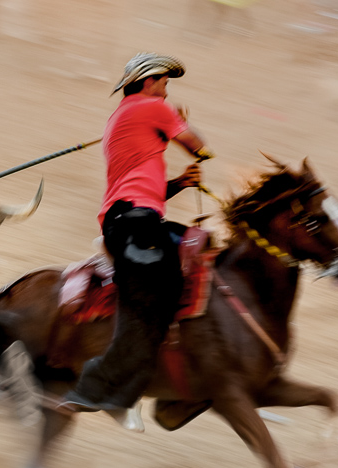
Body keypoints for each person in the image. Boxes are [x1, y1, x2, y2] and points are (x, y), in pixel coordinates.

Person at [57, 52, 213, 423]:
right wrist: (177, 123)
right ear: (147, 81)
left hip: (134, 217)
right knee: (154, 298)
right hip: (133, 222)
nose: (166, 90)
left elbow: (146, 189)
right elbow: (201, 149)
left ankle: (146, 382)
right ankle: (100, 384)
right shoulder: (151, 108)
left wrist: (178, 183)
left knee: (195, 253)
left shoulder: (123, 119)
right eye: (164, 83)